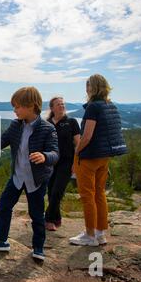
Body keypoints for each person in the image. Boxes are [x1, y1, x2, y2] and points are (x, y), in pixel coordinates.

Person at [0, 87, 59, 261]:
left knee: (37, 214)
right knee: (4, 206)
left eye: (17, 107)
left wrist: (44, 156)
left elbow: (55, 154)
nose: (14, 110)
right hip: (17, 177)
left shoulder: (47, 129)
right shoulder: (16, 125)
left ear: (31, 106)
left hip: (36, 180)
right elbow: (0, 143)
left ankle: (38, 248)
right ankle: (1, 241)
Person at [69, 74, 128, 246]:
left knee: (88, 196)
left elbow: (86, 137)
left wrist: (77, 152)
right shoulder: (111, 106)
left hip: (90, 157)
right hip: (105, 157)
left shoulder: (93, 107)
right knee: (99, 194)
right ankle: (100, 234)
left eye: (87, 86)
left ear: (92, 88)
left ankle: (89, 235)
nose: (86, 89)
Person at [45, 97, 80, 231]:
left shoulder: (71, 122)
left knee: (57, 191)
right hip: (50, 162)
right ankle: (57, 218)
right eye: (58, 104)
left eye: (63, 104)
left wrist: (76, 163)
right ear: (52, 108)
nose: (61, 106)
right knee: (50, 191)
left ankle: (48, 219)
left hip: (66, 162)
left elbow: (78, 144)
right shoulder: (47, 123)